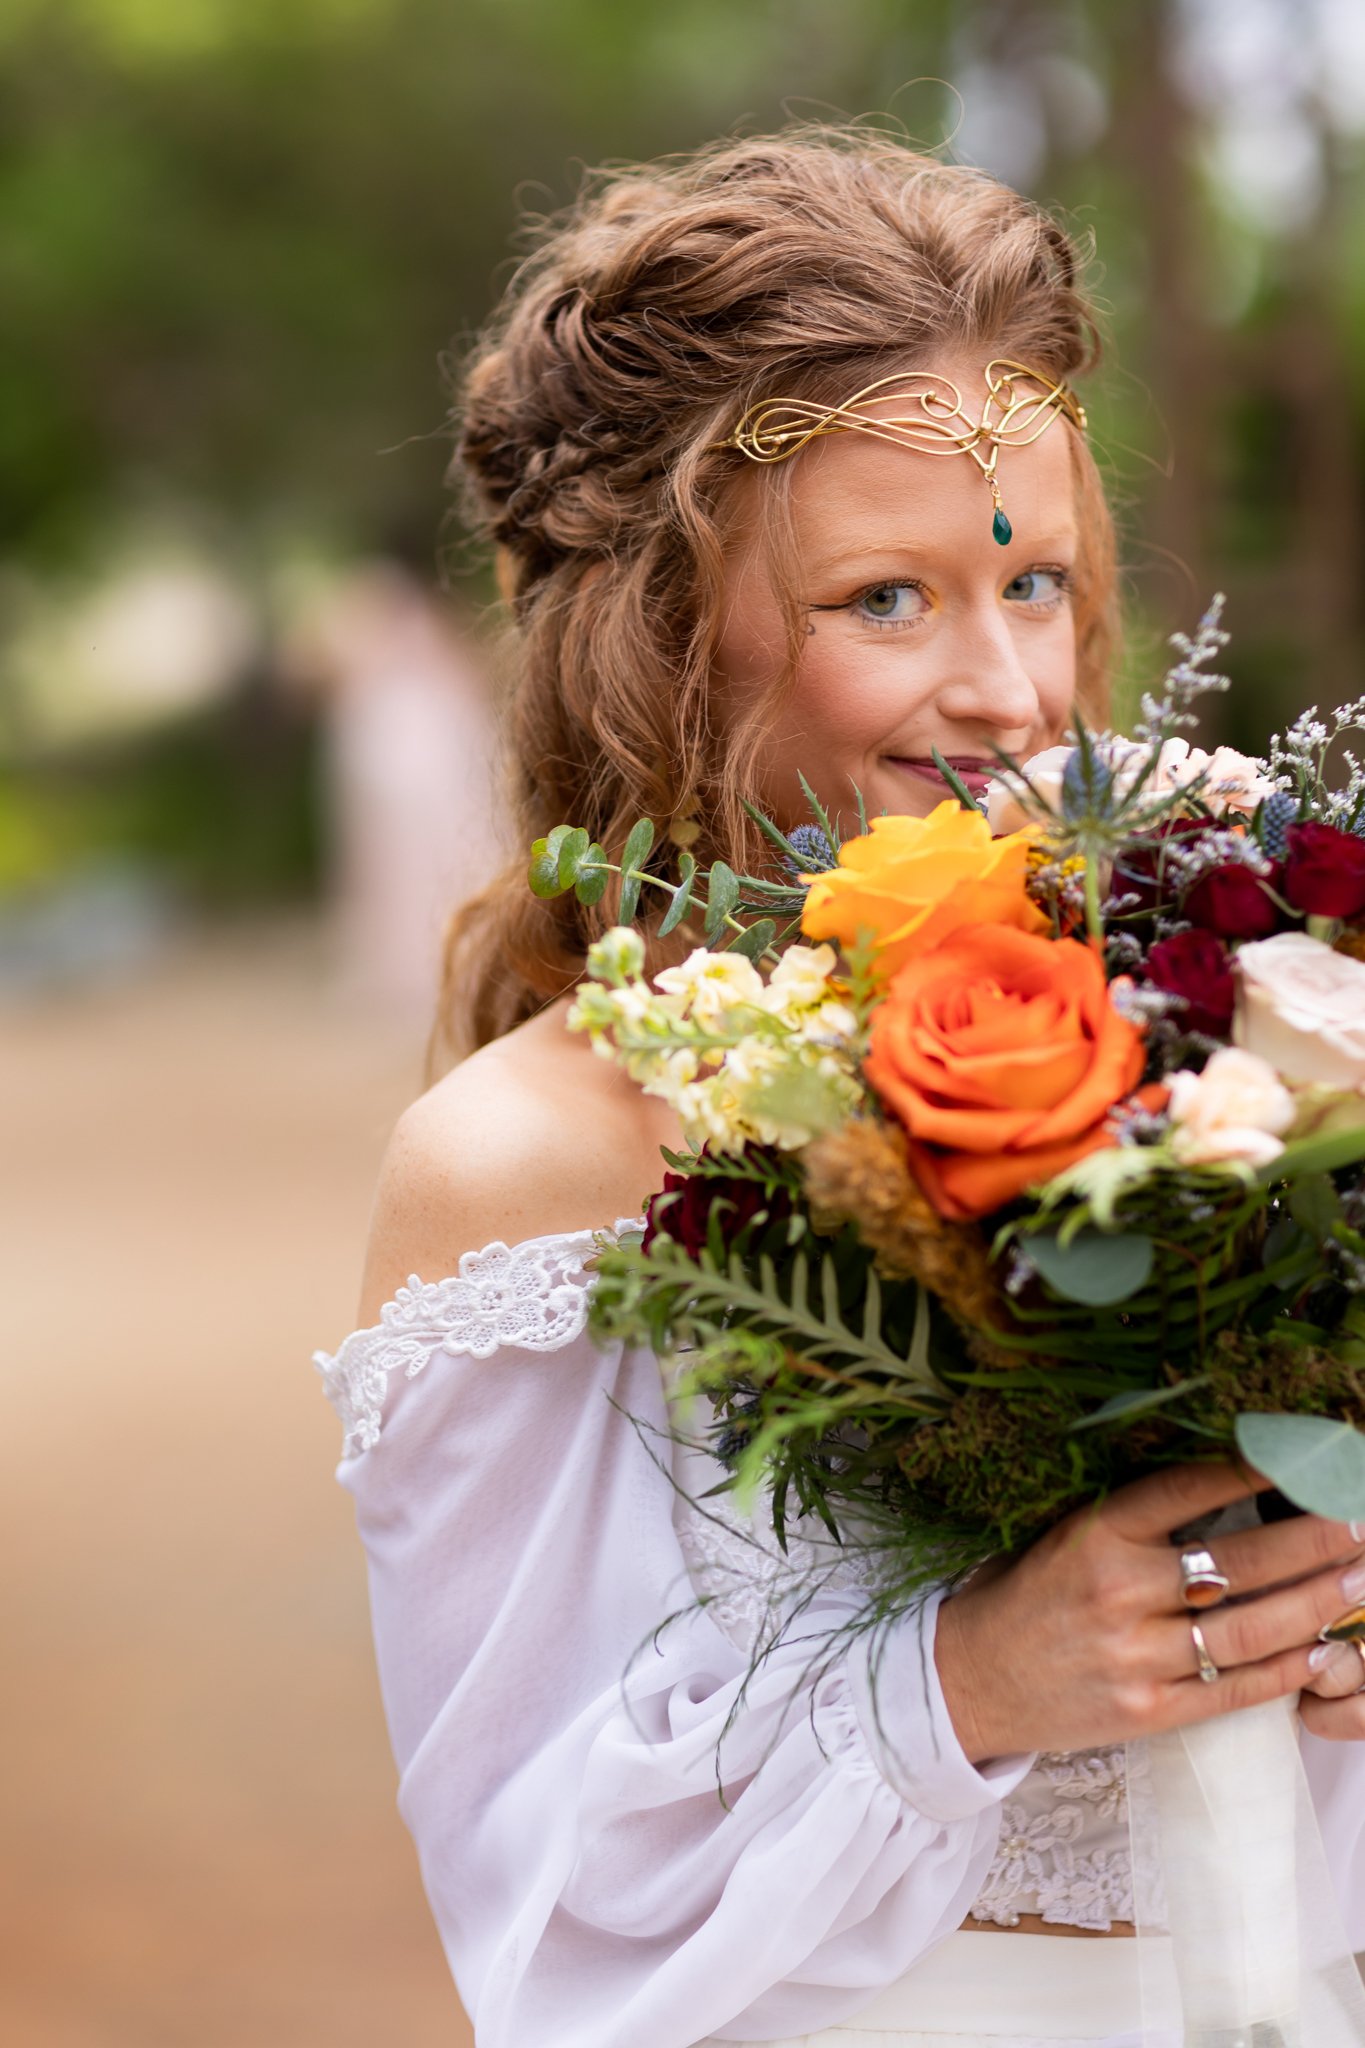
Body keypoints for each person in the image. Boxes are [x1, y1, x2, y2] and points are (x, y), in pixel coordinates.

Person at [314, 129, 1365, 2048]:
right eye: (885, 599)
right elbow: (540, 1894)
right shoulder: (519, 1162)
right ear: (655, 635)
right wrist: (971, 1678)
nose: (1005, 692)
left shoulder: (1241, 1034)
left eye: (1031, 581)